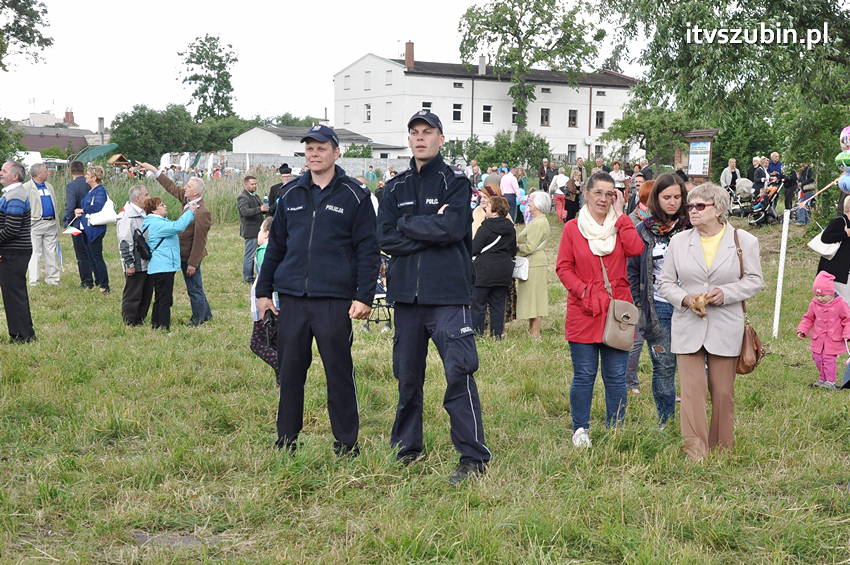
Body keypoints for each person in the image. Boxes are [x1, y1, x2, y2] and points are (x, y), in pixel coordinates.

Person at [377, 110, 491, 484]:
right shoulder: (395, 188)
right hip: (407, 297)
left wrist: (408, 225)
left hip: (448, 296)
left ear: (441, 139)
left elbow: (455, 226)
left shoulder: (455, 182)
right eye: (414, 132)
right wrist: (429, 227)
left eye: (428, 132)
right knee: (407, 378)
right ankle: (406, 448)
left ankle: (472, 457)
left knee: (459, 374)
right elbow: (384, 237)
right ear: (408, 139)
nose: (421, 138)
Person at [256, 124, 379, 457]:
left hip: (334, 300)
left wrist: (364, 296)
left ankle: (346, 444)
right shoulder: (291, 194)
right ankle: (286, 440)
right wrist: (264, 291)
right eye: (309, 148)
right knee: (290, 372)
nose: (314, 154)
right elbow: (277, 245)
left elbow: (368, 250)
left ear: (337, 152)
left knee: (338, 373)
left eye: (321, 148)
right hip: (293, 299)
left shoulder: (355, 194)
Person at [657, 182, 764, 461]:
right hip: (688, 324)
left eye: (699, 206)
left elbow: (754, 281)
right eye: (689, 206)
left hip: (726, 325)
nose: (692, 211)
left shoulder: (744, 241)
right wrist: (685, 299)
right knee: (691, 393)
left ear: (719, 209)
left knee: (723, 392)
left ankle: (722, 448)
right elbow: (665, 282)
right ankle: (695, 451)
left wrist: (725, 294)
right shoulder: (679, 241)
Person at [556, 172, 643, 448]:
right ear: (586, 194)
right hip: (584, 310)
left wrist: (621, 217)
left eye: (610, 194)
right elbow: (563, 267)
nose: (603, 199)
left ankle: (615, 426)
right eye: (599, 193)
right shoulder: (573, 228)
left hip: (617, 311)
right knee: (584, 374)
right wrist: (582, 291)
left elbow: (636, 249)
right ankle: (580, 428)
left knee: (616, 375)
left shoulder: (620, 226)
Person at [627, 174, 690, 427]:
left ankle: (692, 418)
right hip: (658, 307)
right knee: (663, 366)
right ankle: (666, 421)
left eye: (677, 197)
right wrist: (638, 302)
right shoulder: (643, 231)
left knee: (692, 366)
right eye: (667, 197)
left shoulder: (692, 229)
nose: (672, 202)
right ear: (656, 199)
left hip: (690, 307)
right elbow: (632, 269)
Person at [139, 162, 213, 326]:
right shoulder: (187, 200)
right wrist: (154, 171)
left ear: (195, 192)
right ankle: (205, 314)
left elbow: (200, 240)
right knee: (195, 286)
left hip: (189, 255)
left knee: (193, 287)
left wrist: (193, 263)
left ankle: (198, 318)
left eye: (188, 186)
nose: (184, 188)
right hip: (180, 253)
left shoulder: (202, 211)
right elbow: (170, 186)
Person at [141, 197, 196, 331]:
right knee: (165, 298)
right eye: (161, 204)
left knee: (160, 297)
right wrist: (190, 212)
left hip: (159, 265)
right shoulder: (156, 224)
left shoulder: (153, 222)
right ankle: (164, 327)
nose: (165, 206)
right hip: (163, 265)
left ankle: (156, 324)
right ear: (154, 210)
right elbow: (178, 226)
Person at [624, 178, 655, 393]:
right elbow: (631, 263)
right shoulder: (635, 221)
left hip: (659, 291)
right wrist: (635, 294)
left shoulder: (665, 223)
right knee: (637, 338)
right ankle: (629, 382)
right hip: (641, 290)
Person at [0, 160, 36, 343]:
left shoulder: (15, 196)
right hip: (14, 251)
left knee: (14, 296)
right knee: (14, 295)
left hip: (14, 252)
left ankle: (22, 336)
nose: (0, 172)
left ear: (15, 175)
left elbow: (12, 229)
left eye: (4, 170)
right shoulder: (13, 194)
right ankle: (23, 333)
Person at [471, 195, 516, 339]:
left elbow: (474, 249)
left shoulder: (485, 228)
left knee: (479, 304)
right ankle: (497, 334)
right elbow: (513, 250)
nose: (486, 208)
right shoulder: (511, 228)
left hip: (484, 270)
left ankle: (477, 334)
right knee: (498, 304)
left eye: (489, 206)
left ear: (495, 210)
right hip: (503, 270)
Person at [797, 271, 850, 390]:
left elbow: (848, 320)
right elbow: (808, 318)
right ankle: (822, 379)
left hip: (833, 339)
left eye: (822, 295)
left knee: (828, 359)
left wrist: (847, 334)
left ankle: (830, 381)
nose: (819, 298)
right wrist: (802, 329)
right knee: (817, 358)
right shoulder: (814, 304)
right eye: (817, 295)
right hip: (818, 339)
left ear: (831, 293)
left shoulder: (840, 304)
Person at [516, 191, 552, 339]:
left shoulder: (538, 223)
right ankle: (532, 329)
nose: (528, 203)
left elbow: (530, 247)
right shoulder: (538, 221)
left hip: (534, 262)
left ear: (537, 204)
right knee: (533, 297)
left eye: (531, 201)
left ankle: (535, 332)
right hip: (534, 262)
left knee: (535, 298)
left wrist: (517, 247)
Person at [116, 184, 153, 325]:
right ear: (138, 198)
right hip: (135, 262)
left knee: (146, 292)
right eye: (146, 194)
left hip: (147, 260)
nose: (149, 197)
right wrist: (129, 264)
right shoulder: (127, 215)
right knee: (133, 292)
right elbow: (125, 242)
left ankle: (140, 319)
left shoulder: (144, 213)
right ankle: (130, 321)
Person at [75, 166, 111, 293]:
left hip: (95, 229)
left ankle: (104, 284)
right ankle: (99, 281)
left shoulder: (100, 191)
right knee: (91, 256)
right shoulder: (92, 191)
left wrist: (83, 210)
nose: (85, 176)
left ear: (94, 178)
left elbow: (97, 206)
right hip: (87, 227)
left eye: (88, 174)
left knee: (96, 256)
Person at [24, 163, 60, 286]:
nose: (48, 172)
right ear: (38, 174)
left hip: (51, 223)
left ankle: (53, 279)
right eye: (45, 170)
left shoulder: (49, 186)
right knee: (35, 252)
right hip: (36, 224)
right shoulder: (26, 188)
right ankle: (34, 280)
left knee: (51, 251)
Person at [63, 160, 95, 288]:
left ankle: (86, 281)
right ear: (83, 170)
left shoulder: (72, 186)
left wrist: (66, 221)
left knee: (81, 253)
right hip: (92, 222)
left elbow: (70, 206)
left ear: (71, 171)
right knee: (92, 251)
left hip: (76, 223)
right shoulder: (92, 183)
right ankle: (98, 277)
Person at [815, 197, 850, 304]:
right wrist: (845, 234)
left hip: (845, 272)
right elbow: (825, 237)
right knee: (843, 304)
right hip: (835, 273)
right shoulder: (839, 221)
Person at [237, 175, 268, 283]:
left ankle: (257, 275)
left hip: (258, 230)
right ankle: (248, 278)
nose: (255, 186)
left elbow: (259, 210)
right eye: (252, 184)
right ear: (246, 185)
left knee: (258, 254)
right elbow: (245, 212)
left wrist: (264, 210)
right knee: (250, 255)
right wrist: (259, 209)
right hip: (250, 230)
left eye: (255, 184)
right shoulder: (243, 197)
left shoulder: (255, 196)